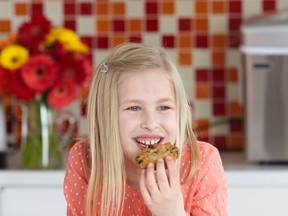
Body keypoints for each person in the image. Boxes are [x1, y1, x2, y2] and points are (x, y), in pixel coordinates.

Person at [63, 42, 228, 216]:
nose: (150, 123)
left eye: (164, 107)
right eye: (134, 108)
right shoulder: (86, 160)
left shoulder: (202, 162)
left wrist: (171, 212)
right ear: (106, 115)